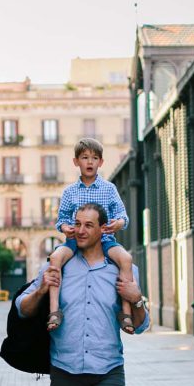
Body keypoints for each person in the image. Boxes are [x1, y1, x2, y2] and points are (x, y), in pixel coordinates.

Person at [16, 203, 148, 386]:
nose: (81, 230)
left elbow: (141, 324)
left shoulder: (123, 269)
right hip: (65, 371)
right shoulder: (58, 265)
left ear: (103, 229)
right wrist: (41, 290)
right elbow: (22, 308)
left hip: (108, 370)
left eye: (89, 225)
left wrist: (136, 299)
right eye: (77, 224)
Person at [45, 138, 136, 332]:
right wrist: (65, 229)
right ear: (76, 161)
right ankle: (54, 311)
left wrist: (118, 224)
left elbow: (123, 215)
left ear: (101, 162)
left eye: (95, 158)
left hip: (106, 240)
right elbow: (60, 220)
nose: (90, 162)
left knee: (126, 259)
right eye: (85, 157)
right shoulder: (70, 192)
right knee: (55, 258)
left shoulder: (109, 189)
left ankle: (126, 312)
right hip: (74, 241)